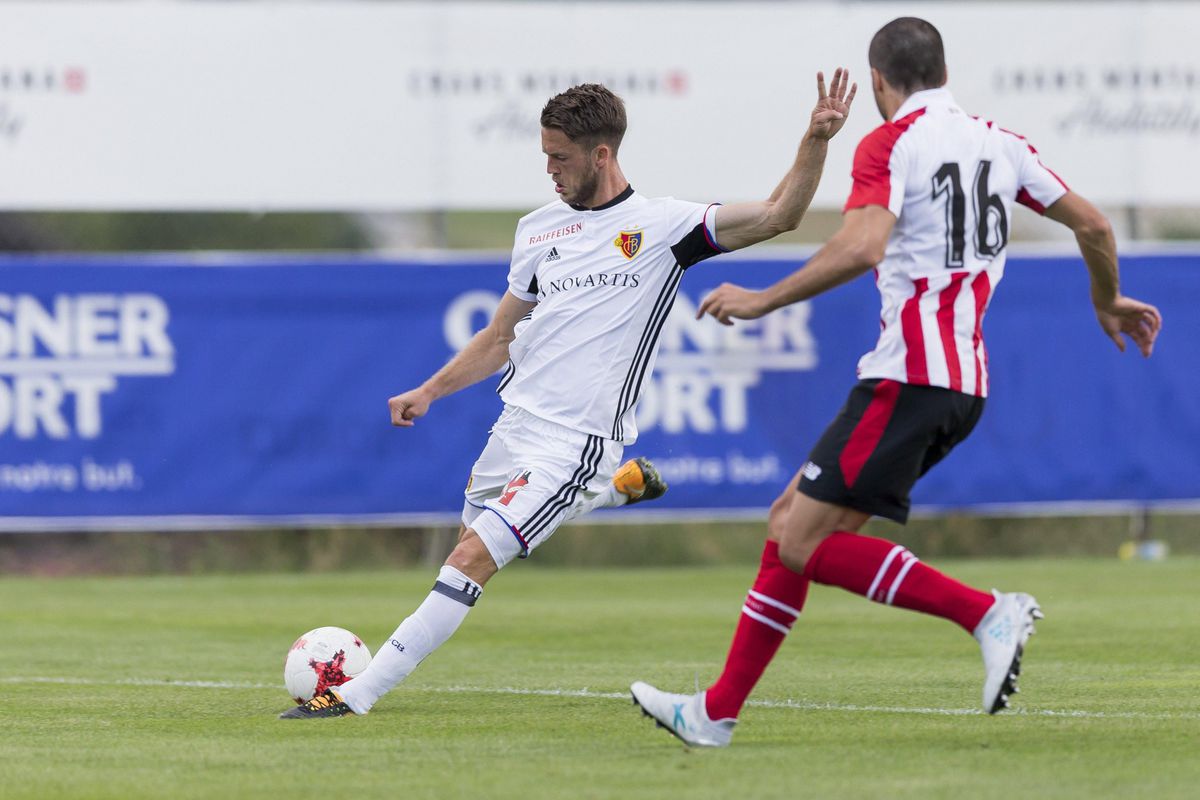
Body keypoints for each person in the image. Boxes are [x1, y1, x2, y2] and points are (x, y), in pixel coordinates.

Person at [630, 16, 1162, 747]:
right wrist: (1106, 298)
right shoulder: (1003, 145)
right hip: (961, 383)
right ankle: (716, 712)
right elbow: (1096, 226)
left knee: (800, 541)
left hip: (908, 375)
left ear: (877, 80)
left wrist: (761, 298)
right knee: (790, 525)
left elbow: (862, 245)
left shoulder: (890, 143)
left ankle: (986, 613)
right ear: (943, 71)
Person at [281, 71, 858, 719]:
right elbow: (502, 334)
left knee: (471, 558)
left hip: (577, 440)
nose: (550, 169)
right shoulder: (538, 230)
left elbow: (782, 215)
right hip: (514, 426)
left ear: (601, 155)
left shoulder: (664, 228)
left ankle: (354, 695)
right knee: (477, 532)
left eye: (561, 158)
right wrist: (431, 390)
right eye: (545, 156)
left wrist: (815, 140)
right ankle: (616, 486)